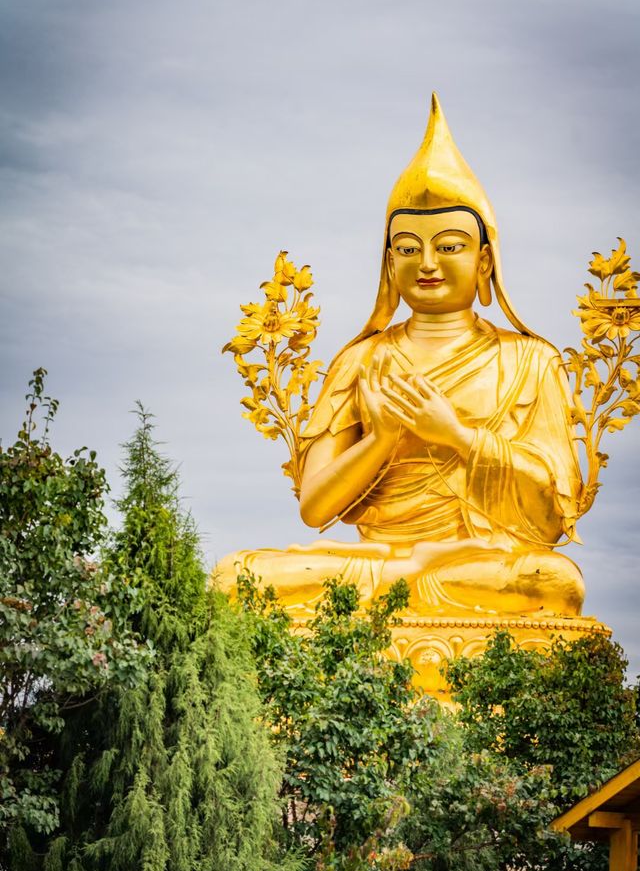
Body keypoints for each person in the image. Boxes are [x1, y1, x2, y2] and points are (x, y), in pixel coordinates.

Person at [215, 93, 585, 620]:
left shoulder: (530, 362)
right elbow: (315, 506)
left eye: (450, 246)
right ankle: (398, 584)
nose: (428, 263)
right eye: (409, 248)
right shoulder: (360, 361)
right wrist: (383, 439)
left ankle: (390, 592)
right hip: (372, 558)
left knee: (554, 581)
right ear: (389, 264)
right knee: (235, 577)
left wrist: (456, 434)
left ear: (484, 262)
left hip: (477, 561)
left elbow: (550, 517)